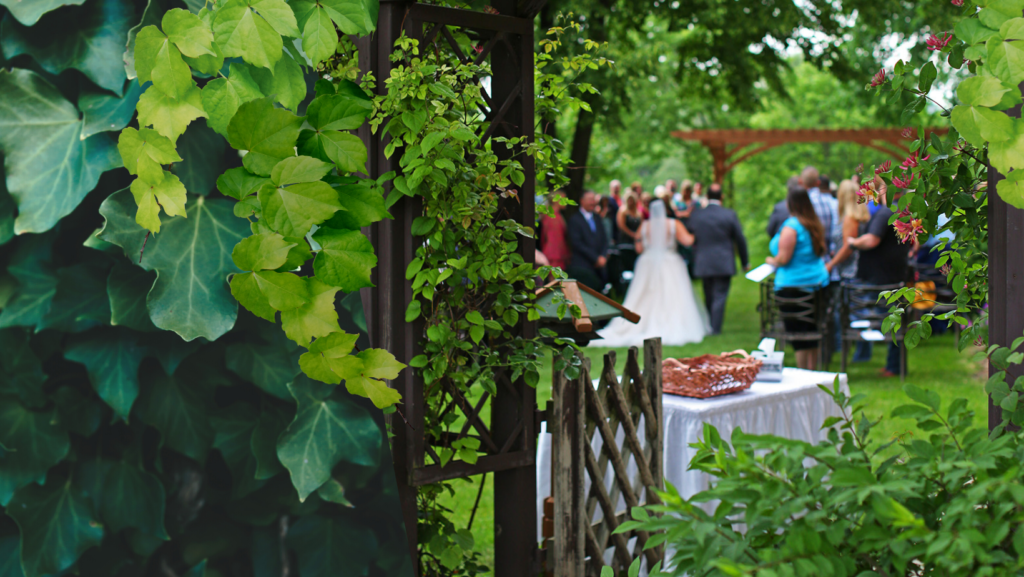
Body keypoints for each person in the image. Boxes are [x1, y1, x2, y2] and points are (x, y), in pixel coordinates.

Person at [595, 200, 708, 347]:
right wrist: (696, 233)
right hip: (670, 263)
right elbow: (687, 241)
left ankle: (640, 324)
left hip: (646, 264)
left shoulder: (644, 226)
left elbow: (639, 249)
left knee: (643, 295)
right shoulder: (674, 224)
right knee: (673, 295)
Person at [848, 189, 914, 377]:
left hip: (879, 280)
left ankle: (893, 366)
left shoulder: (885, 213)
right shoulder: (904, 215)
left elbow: (872, 240)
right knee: (894, 322)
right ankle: (893, 365)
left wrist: (853, 242)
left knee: (885, 321)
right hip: (893, 276)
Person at [766, 187, 831, 370]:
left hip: (793, 287)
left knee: (799, 334)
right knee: (812, 331)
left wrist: (770, 260)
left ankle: (804, 373)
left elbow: (783, 258)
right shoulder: (813, 223)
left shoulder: (791, 227)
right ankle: (813, 371)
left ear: (790, 203)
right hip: (818, 283)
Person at [686, 183, 749, 335]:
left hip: (703, 260)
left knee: (708, 293)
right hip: (723, 260)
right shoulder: (729, 214)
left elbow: (689, 234)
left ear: (707, 196)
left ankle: (710, 324)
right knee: (720, 295)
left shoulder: (697, 214)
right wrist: (745, 261)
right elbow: (740, 239)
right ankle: (715, 328)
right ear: (722, 197)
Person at [825, 179, 870, 280]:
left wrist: (831, 264)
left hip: (850, 271)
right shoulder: (857, 216)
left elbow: (848, 247)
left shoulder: (850, 218)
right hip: (854, 269)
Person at [566, 190, 609, 292]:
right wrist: (595, 258)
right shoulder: (575, 220)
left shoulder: (597, 218)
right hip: (583, 265)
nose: (593, 202)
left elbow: (604, 239)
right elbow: (577, 244)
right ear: (582, 201)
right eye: (590, 200)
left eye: (594, 199)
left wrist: (602, 256)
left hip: (599, 267)